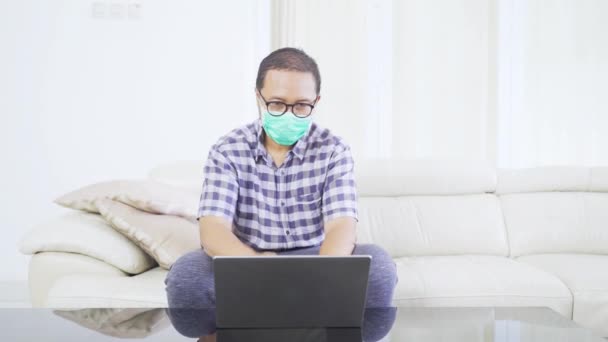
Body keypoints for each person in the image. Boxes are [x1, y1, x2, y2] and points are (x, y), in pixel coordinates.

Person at [164, 47, 397, 309]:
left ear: (315, 103)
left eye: (301, 105)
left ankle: (331, 332)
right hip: (245, 257)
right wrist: (259, 270)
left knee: (379, 268)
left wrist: (323, 274)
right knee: (187, 276)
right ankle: (216, 335)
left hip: (317, 257)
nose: (288, 114)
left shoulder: (333, 149)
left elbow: (341, 225)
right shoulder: (227, 149)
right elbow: (214, 228)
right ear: (258, 98)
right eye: (276, 103)